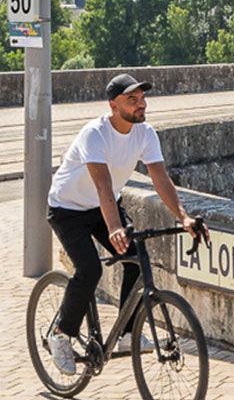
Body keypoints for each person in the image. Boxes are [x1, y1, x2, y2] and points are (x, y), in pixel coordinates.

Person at [42, 73, 193, 374]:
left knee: (136, 259)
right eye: (132, 100)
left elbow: (160, 179)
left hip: (103, 206)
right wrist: (114, 228)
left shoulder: (146, 133)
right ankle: (60, 334)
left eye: (142, 99)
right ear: (113, 105)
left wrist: (184, 217)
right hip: (68, 209)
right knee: (89, 270)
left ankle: (126, 335)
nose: (141, 105)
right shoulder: (94, 134)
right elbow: (103, 186)